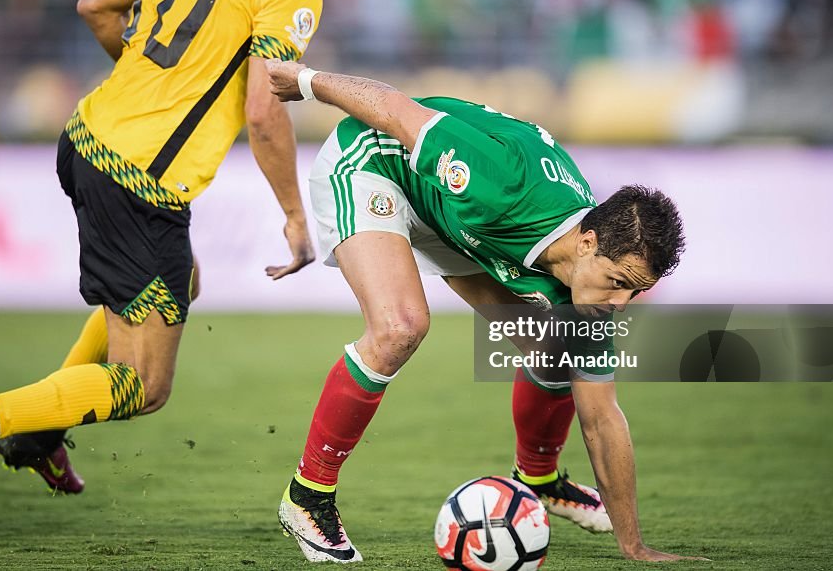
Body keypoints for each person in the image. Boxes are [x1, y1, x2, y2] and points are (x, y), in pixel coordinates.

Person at [0, 0, 389, 535]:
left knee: (182, 281)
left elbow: (96, 4)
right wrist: (295, 215)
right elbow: (263, 109)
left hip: (84, 137)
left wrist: (152, 84)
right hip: (140, 180)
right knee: (143, 382)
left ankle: (39, 435)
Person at [265, 59, 701, 563]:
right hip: (375, 163)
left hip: (453, 216)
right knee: (400, 327)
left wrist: (634, 545)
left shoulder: (590, 296)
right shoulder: (501, 184)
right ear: (586, 243)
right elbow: (391, 107)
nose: (620, 305)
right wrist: (303, 82)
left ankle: (538, 478)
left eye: (634, 292)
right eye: (618, 283)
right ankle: (308, 495)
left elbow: (602, 419)